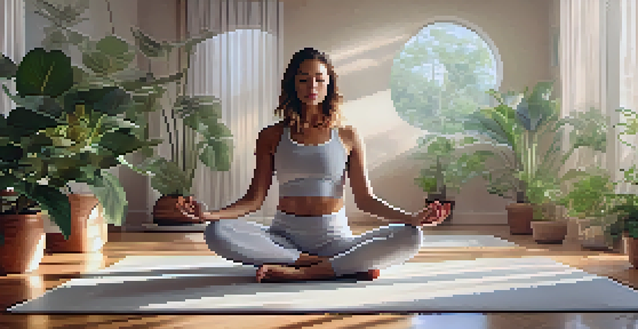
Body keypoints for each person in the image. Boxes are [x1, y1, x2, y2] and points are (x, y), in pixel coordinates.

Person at [176, 47, 452, 283]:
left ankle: (305, 272)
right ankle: (327, 264)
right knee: (217, 232)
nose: (312, 87)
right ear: (292, 84)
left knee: (411, 237)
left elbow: (366, 200)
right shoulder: (271, 136)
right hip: (283, 240)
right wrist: (209, 215)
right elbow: (254, 199)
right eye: (304, 79)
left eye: (319, 79)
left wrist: (412, 218)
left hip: (338, 240)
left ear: (329, 84)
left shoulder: (347, 135)